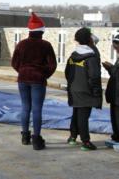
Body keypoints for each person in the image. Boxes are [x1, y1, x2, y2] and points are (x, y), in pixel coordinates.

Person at [11, 12, 57, 150]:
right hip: (38, 80)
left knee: (25, 107)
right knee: (37, 109)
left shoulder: (21, 44)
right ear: (42, 30)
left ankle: (25, 136)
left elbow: (14, 63)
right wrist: (43, 74)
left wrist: (23, 71)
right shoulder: (46, 45)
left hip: (23, 79)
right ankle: (36, 139)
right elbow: (52, 65)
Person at [65, 27, 102, 151]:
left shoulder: (73, 56)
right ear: (89, 39)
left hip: (74, 89)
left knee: (76, 112)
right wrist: (97, 93)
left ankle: (72, 136)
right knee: (83, 117)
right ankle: (86, 142)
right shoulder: (90, 58)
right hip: (86, 91)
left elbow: (67, 73)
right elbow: (94, 77)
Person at [102, 34, 119, 146]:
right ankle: (116, 136)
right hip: (115, 94)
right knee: (114, 117)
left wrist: (110, 68)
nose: (115, 49)